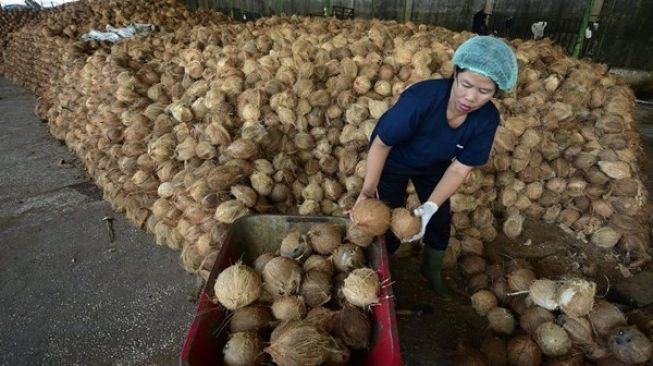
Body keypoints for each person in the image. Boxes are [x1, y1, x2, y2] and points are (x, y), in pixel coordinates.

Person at [353, 36, 518, 298]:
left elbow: (459, 170)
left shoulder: (486, 119)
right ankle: (384, 268)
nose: (471, 97)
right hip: (395, 160)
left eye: (484, 92)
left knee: (440, 218)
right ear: (454, 74)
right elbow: (381, 144)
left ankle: (431, 271)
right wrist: (368, 188)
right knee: (386, 216)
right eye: (465, 85)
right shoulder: (421, 99)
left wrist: (429, 206)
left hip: (434, 165)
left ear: (496, 92)